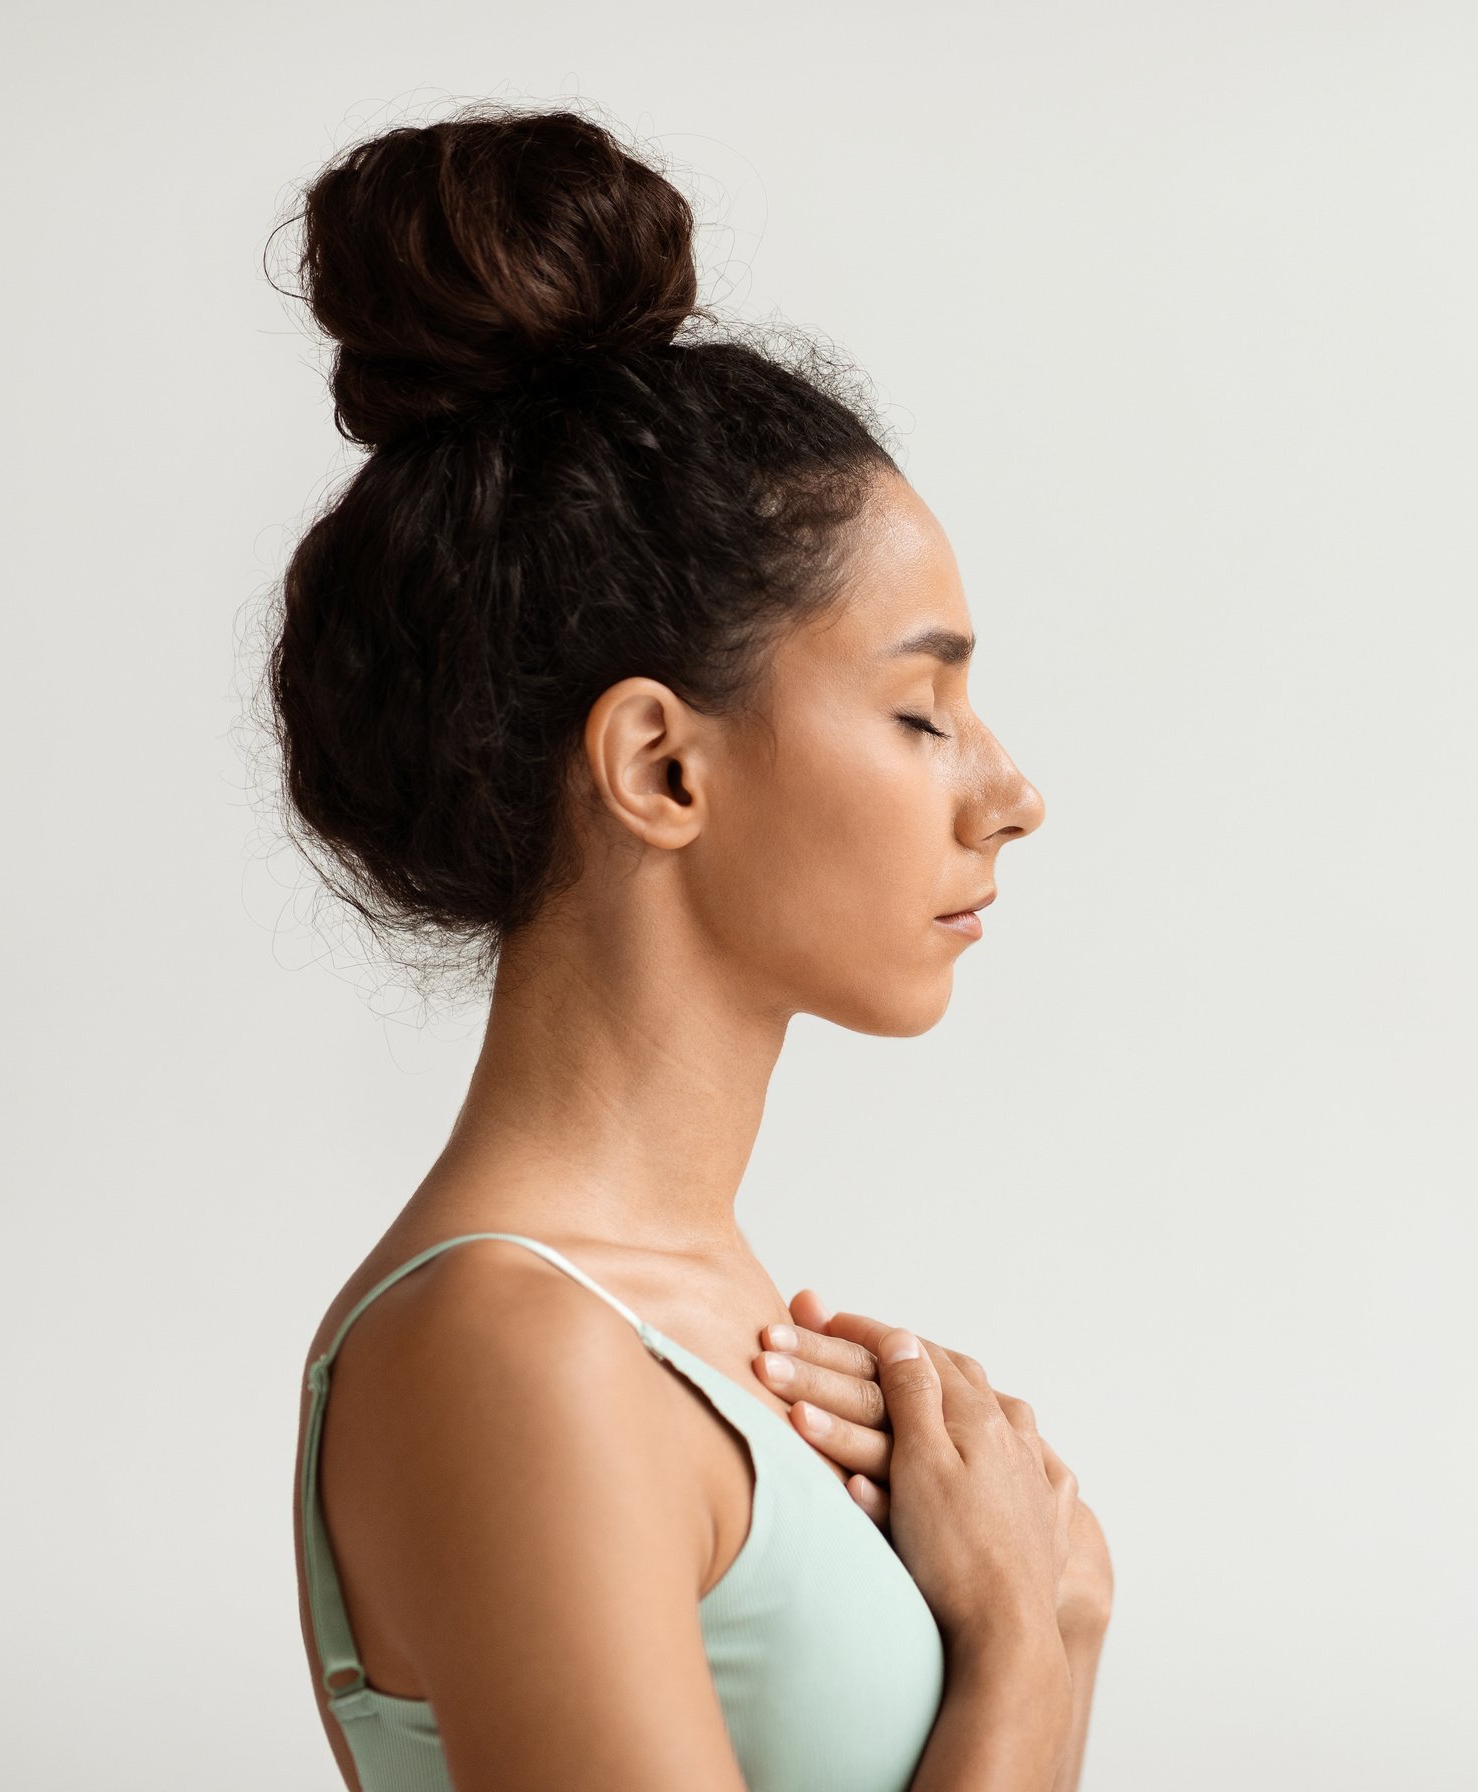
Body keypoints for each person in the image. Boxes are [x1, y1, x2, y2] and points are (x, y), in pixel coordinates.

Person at [273, 106, 1111, 1792]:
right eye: (920, 710)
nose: (1013, 794)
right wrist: (1035, 1646)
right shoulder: (511, 1355)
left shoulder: (684, 1307)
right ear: (663, 766)